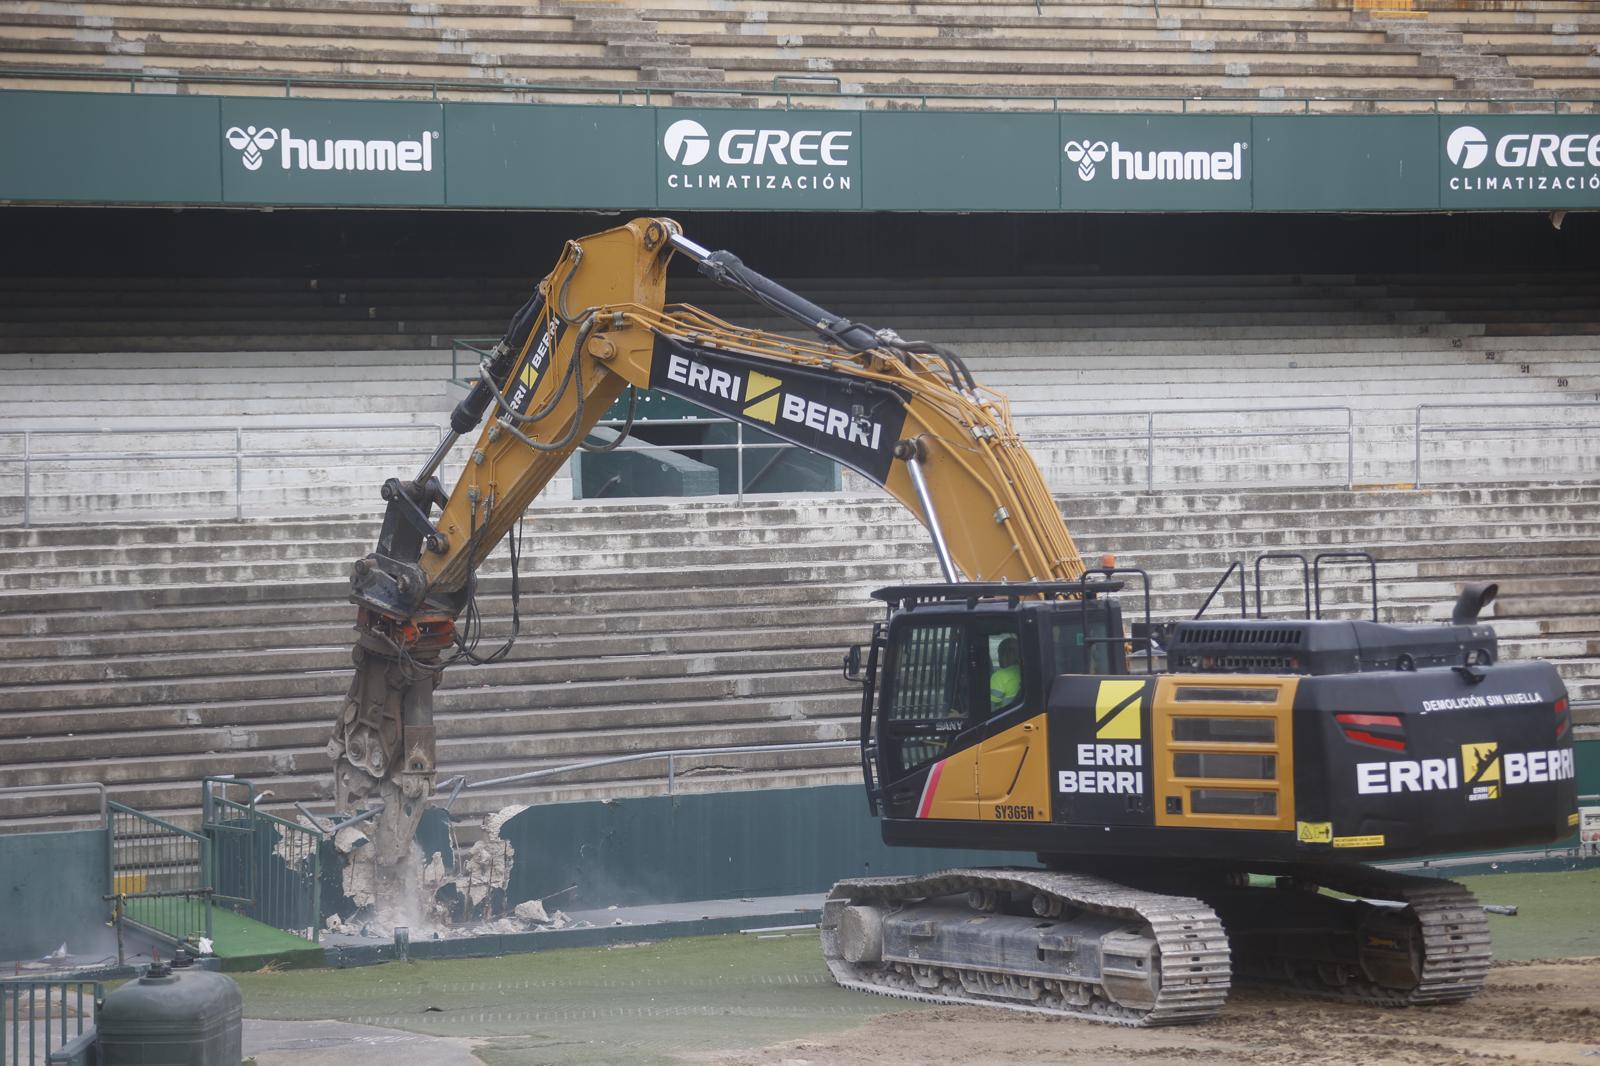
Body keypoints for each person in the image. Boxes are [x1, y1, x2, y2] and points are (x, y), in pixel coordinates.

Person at [990, 636, 1021, 709]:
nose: (999, 658)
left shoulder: (999, 677)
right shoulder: (1028, 672)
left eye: (1000, 653)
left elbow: (991, 707)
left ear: (1005, 654)